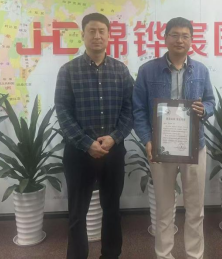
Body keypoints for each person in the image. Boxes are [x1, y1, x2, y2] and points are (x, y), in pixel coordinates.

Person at [133, 17, 216, 259]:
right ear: (165, 37)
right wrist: (147, 140)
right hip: (161, 148)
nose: (180, 40)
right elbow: (138, 109)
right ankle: (164, 254)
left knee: (195, 208)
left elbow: (211, 101)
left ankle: (194, 255)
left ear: (191, 40)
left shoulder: (201, 70)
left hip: (194, 146)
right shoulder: (147, 70)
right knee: (164, 207)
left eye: (185, 36)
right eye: (175, 35)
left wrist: (204, 109)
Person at [55, 13, 134, 259]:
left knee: (112, 210)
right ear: (83, 35)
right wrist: (86, 143)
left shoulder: (121, 71)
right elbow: (63, 112)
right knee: (77, 214)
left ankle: (110, 255)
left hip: (113, 152)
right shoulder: (68, 71)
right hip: (79, 153)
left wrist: (114, 138)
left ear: (109, 35)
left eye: (102, 31)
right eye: (92, 31)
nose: (97, 36)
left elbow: (130, 109)